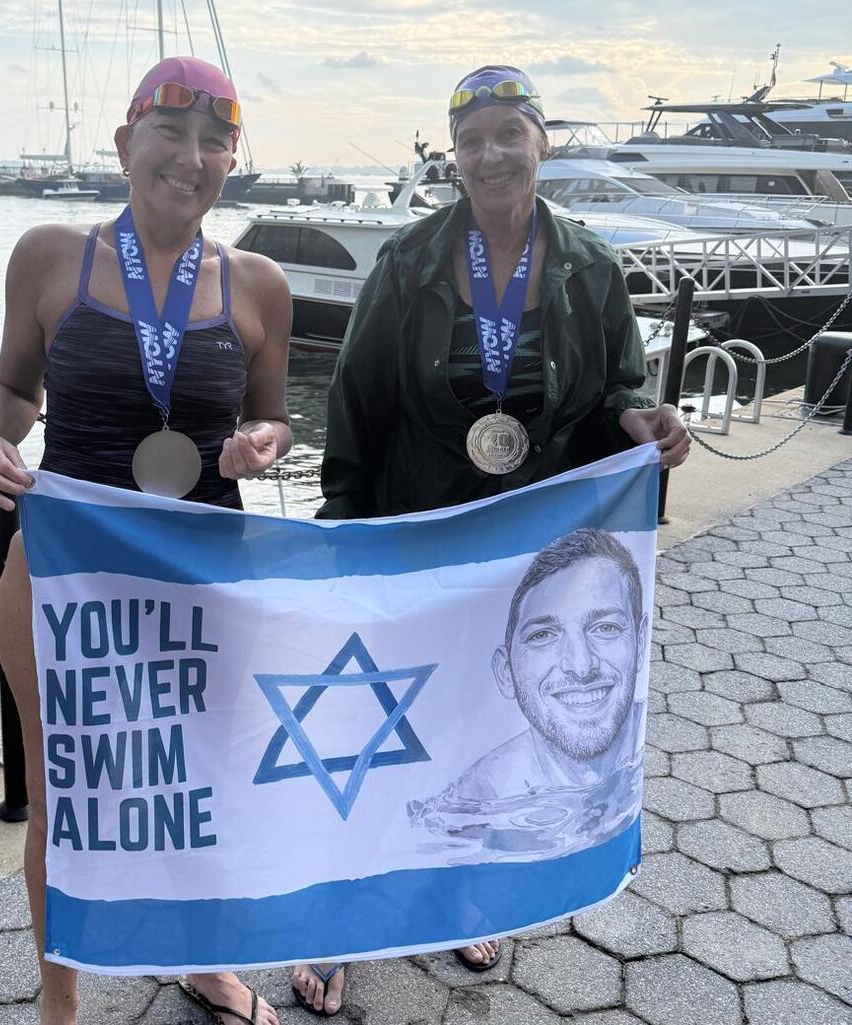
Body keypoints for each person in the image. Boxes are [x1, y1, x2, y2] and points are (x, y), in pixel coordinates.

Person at [309, 63, 689, 993]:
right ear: (454, 156)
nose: (490, 154)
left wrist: (644, 420)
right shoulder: (407, 264)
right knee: (380, 721)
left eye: (507, 135)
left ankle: (466, 897)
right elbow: (356, 408)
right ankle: (340, 924)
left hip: (528, 552)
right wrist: (344, 536)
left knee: (483, 720)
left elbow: (617, 388)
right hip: (419, 535)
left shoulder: (591, 266)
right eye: (471, 140)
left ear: (540, 143)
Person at [0, 57, 291, 1025]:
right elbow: (14, 388)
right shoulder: (48, 255)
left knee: (201, 783)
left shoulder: (259, 283)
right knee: (65, 794)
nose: (191, 159)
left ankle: (207, 961)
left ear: (232, 161)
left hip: (203, 577)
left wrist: (264, 442)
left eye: (214, 143)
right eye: (170, 134)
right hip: (64, 572)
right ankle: (59, 998)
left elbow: (272, 420)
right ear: (123, 144)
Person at [409, 528, 648, 860]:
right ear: (506, 673)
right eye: (544, 635)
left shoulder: (664, 748)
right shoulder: (472, 802)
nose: (581, 666)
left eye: (605, 628)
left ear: (641, 642)